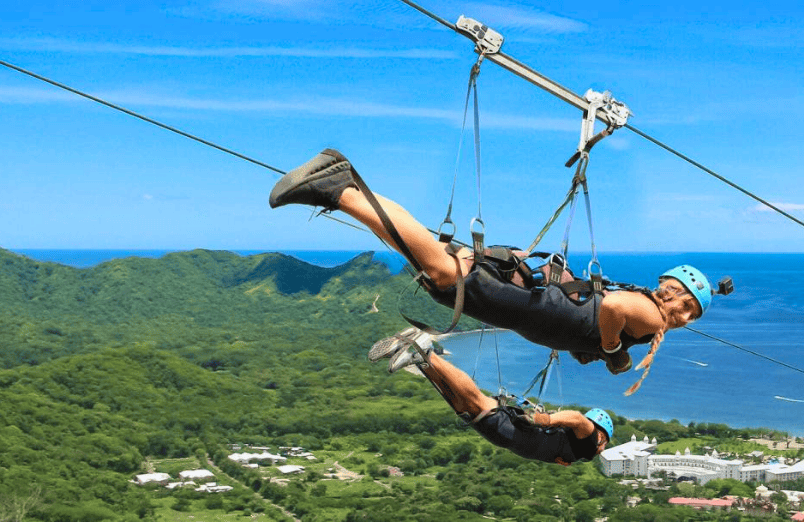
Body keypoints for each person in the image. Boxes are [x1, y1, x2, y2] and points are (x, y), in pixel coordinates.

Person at [269, 148, 726, 393]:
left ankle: (343, 187)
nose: (684, 317)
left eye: (691, 314)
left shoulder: (648, 314)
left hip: (529, 300)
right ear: (671, 293)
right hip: (528, 304)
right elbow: (613, 309)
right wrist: (610, 349)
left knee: (430, 259)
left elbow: (595, 317)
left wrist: (593, 347)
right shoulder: (649, 314)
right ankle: (340, 187)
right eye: (687, 306)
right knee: (443, 275)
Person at [370, 327, 612, 465]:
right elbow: (578, 418)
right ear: (600, 434)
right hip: (518, 432)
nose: (603, 450)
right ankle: (426, 352)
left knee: (464, 408)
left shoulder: (578, 449)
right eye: (605, 443)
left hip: (515, 436)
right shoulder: (590, 441)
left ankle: (418, 356)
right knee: (476, 402)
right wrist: (544, 420)